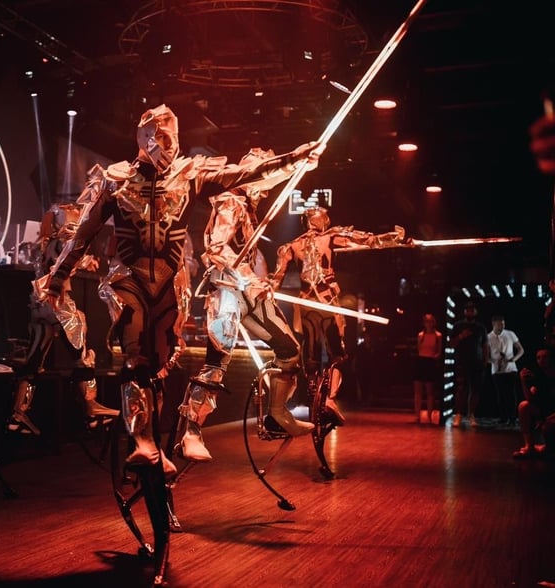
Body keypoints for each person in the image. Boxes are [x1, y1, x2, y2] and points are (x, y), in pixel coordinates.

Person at [42, 103, 324, 473]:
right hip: (130, 279)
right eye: (160, 136)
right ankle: (144, 442)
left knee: (159, 366)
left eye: (173, 136)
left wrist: (294, 159)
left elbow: (244, 173)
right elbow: (83, 233)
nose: (169, 144)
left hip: (168, 286)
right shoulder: (117, 181)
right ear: (144, 138)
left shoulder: (190, 176)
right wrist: (58, 276)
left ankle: (170, 439)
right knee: (136, 357)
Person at [179, 148, 324, 462]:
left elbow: (249, 255)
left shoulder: (251, 207)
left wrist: (262, 282)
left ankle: (277, 414)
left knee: (290, 349)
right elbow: (217, 249)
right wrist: (249, 280)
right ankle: (191, 431)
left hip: (249, 293)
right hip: (227, 292)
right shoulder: (231, 200)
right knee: (216, 363)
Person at [270, 207, 410, 405]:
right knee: (338, 353)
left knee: (311, 349)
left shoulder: (291, 246)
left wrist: (266, 294)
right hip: (326, 302)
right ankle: (330, 396)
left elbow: (275, 280)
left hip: (307, 304)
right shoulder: (330, 237)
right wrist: (395, 239)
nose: (327, 221)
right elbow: (367, 240)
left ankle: (313, 389)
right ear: (319, 221)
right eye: (325, 218)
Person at [6, 202, 118, 436]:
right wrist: (86, 259)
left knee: (34, 360)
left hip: (39, 305)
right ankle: (90, 408)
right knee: (82, 355)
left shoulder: (46, 244)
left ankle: (18, 413)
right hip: (59, 304)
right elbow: (70, 259)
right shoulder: (65, 243)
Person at [448, 301, 489, 428]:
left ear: (476, 312)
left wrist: (485, 360)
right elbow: (451, 344)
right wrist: (461, 336)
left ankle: (471, 415)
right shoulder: (458, 326)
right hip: (461, 362)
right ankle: (458, 415)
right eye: (467, 310)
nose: (470, 312)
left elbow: (485, 345)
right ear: (464, 311)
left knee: (475, 390)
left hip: (477, 362)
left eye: (472, 310)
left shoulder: (481, 328)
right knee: (461, 389)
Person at [514, 346, 555, 458]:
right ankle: (530, 446)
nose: (541, 360)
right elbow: (530, 399)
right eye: (538, 358)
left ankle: (549, 449)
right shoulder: (539, 375)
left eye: (545, 357)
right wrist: (523, 381)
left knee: (548, 426)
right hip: (546, 412)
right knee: (524, 406)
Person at [487, 314, 525, 426]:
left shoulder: (510, 334)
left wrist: (513, 359)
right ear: (493, 324)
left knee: (511, 394)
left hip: (510, 369)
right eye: (499, 324)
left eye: (503, 324)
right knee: (500, 395)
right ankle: (503, 417)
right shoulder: (488, 337)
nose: (502, 327)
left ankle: (512, 418)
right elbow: (486, 357)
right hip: (496, 370)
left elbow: (521, 350)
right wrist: (494, 361)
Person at [413, 313, 443, 425]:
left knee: (430, 391)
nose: (428, 324)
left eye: (430, 321)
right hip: (421, 361)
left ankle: (429, 415)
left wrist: (435, 357)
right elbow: (419, 349)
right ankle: (417, 416)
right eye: (426, 321)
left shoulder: (438, 335)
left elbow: (439, 351)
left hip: (430, 362)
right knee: (418, 391)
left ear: (433, 323)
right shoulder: (420, 335)